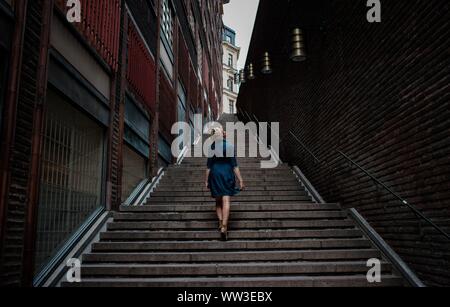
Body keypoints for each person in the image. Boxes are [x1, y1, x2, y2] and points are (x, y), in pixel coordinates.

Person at [205, 127, 245, 241]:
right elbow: (235, 166)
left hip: (215, 174)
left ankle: (220, 222)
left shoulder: (211, 147)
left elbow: (208, 167)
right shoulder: (230, 146)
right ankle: (224, 227)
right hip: (227, 173)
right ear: (222, 135)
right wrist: (241, 180)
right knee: (226, 200)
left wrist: (206, 180)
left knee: (218, 201)